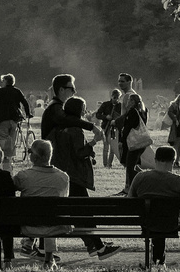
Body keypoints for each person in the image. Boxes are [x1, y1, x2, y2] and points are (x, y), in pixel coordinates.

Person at [51, 95, 125, 261]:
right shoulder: (75, 130)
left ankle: (92, 244)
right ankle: (100, 247)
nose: (85, 112)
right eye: (83, 109)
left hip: (63, 174)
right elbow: (79, 153)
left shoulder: (60, 128)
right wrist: (93, 143)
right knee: (86, 212)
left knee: (77, 213)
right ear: (79, 110)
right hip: (75, 176)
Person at [127, 145, 180, 265]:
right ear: (173, 160)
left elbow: (130, 202)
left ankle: (157, 258)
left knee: (154, 213)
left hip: (146, 222)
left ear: (155, 159)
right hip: (171, 223)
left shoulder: (140, 177)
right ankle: (158, 259)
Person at [14, 139, 72, 266]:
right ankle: (48, 260)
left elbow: (10, 188)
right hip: (55, 226)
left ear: (34, 157)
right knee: (51, 214)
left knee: (39, 212)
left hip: (29, 227)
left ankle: (28, 243)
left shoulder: (24, 176)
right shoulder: (63, 178)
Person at [0, 73, 31, 173]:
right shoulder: (17, 91)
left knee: (2, 138)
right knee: (12, 140)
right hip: (14, 119)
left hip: (2, 118)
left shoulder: (0, 91)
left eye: (2, 81)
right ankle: (9, 160)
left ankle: (7, 159)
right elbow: (24, 102)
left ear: (5, 81)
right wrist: (28, 113)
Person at [116, 91, 153, 190]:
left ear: (132, 101)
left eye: (129, 100)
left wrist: (121, 141)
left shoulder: (132, 111)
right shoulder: (144, 111)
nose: (127, 101)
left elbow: (128, 128)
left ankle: (139, 184)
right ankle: (130, 187)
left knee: (130, 167)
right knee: (133, 164)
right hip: (141, 143)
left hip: (133, 143)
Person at [166, 91, 180, 166]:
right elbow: (170, 112)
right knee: (176, 144)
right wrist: (175, 119)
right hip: (176, 127)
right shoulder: (174, 105)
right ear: (179, 99)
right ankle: (173, 161)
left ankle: (177, 161)